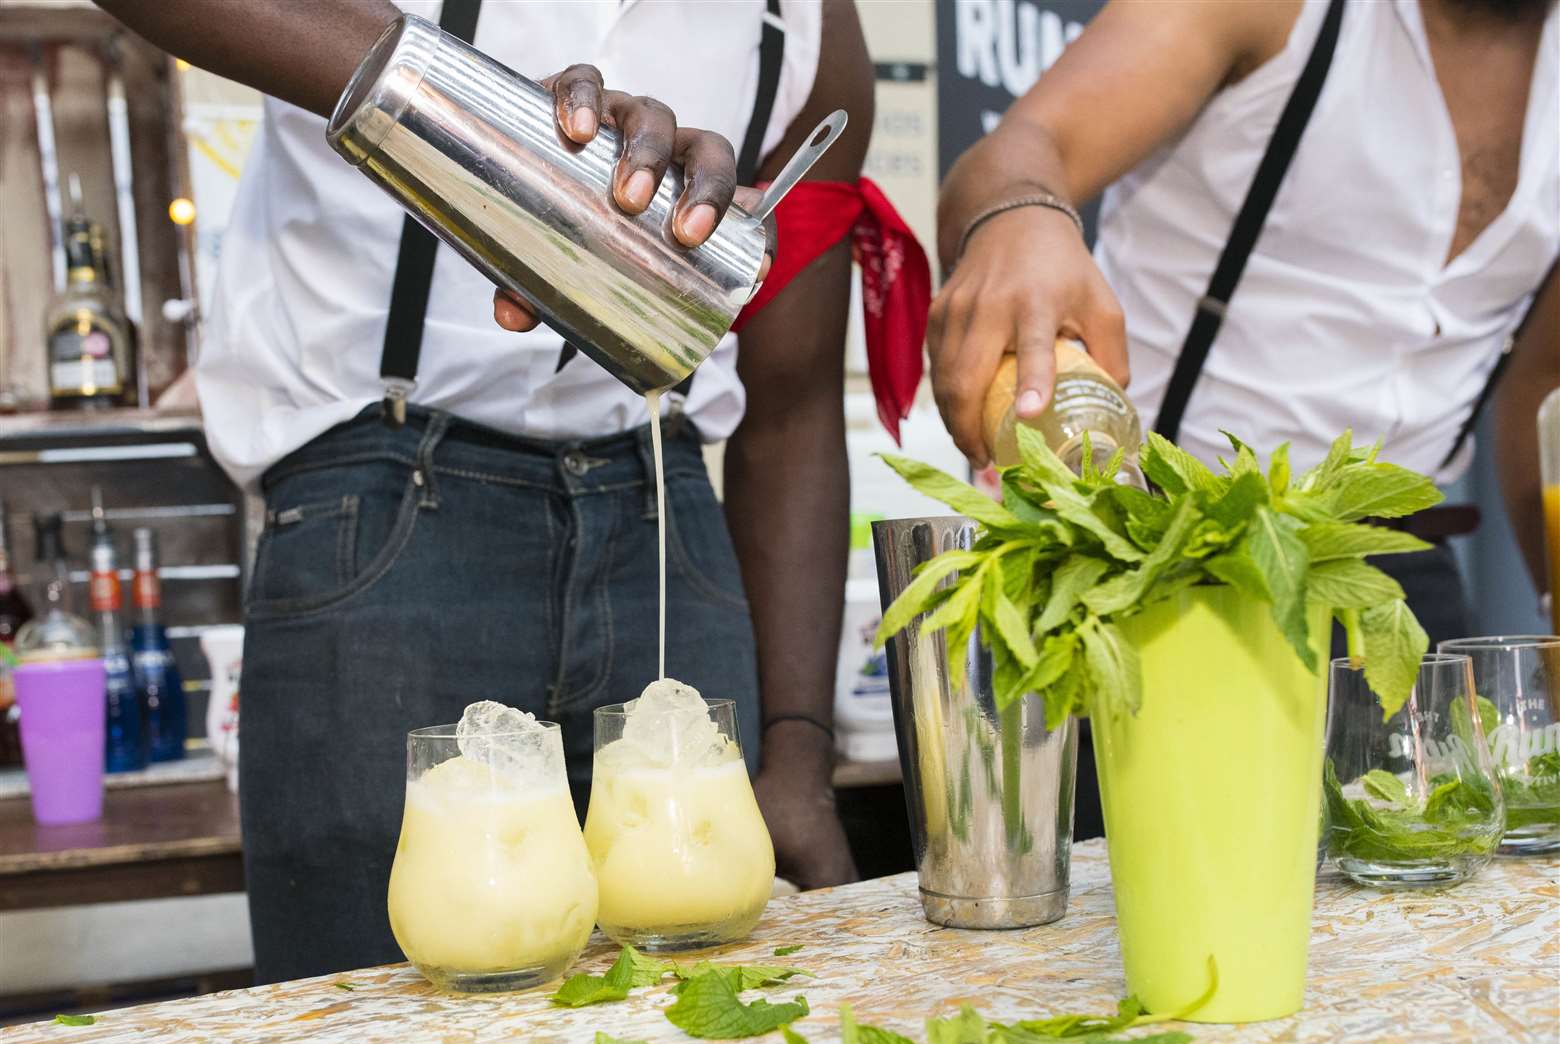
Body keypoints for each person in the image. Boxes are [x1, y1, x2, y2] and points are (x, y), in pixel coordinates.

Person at [96, 0, 873, 982]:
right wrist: (490, 127)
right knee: (382, 1025)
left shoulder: (803, 22)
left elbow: (795, 406)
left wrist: (801, 754)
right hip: (386, 531)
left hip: (666, 524)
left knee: (696, 1016)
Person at [931, 0, 1557, 836]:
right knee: (1111, 942)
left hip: (1398, 585)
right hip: (1158, 565)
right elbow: (1018, 153)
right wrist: (1019, 216)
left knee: (1425, 936)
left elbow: (1539, 387)